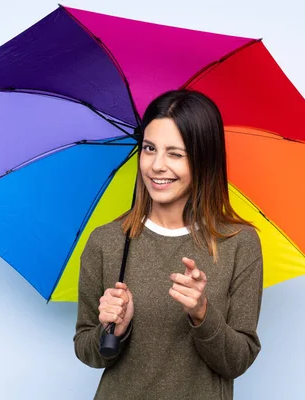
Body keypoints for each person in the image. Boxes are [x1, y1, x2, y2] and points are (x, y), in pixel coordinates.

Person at [74, 89, 264, 399]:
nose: (156, 165)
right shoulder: (106, 241)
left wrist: (202, 313)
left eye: (175, 153)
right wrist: (113, 331)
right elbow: (87, 351)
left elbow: (238, 360)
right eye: (149, 149)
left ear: (204, 159)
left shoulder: (239, 243)